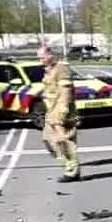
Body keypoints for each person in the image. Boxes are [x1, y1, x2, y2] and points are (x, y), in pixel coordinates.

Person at [37, 43, 80, 182]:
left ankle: (72, 171)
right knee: (48, 140)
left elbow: (66, 91)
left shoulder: (61, 68)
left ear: (50, 55)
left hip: (61, 110)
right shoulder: (49, 70)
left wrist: (63, 110)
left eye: (42, 57)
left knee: (64, 140)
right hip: (52, 110)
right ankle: (68, 164)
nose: (40, 61)